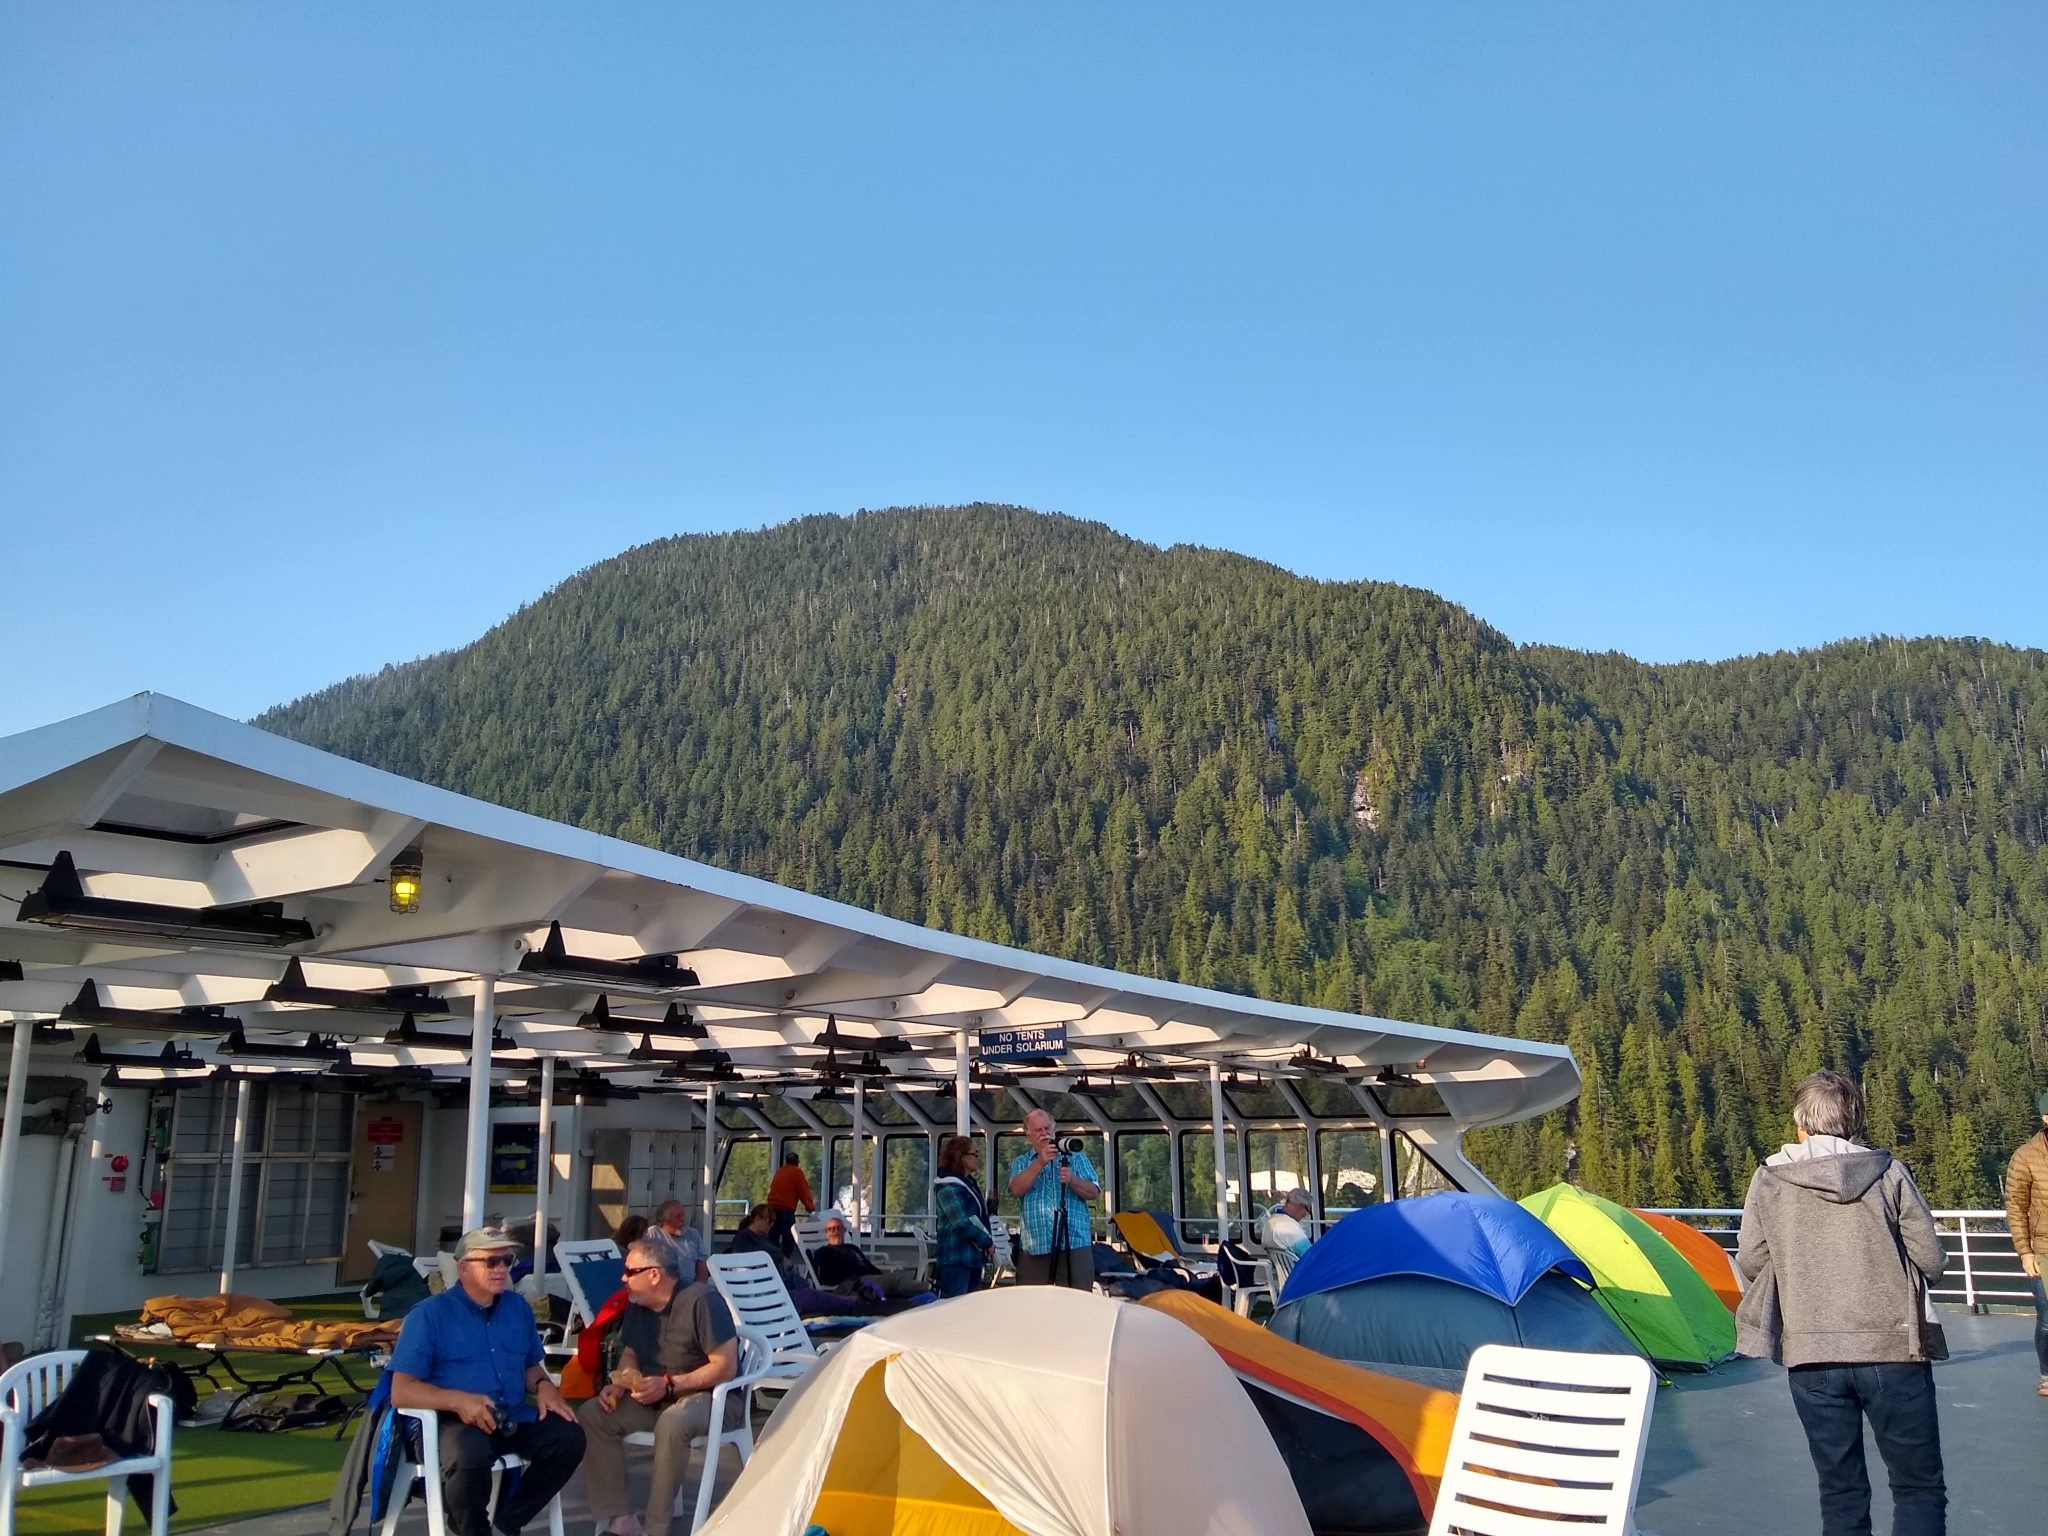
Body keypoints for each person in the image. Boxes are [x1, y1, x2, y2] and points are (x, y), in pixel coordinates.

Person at [1735, 1069, 1947, 1536]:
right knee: (1917, 1487)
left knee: (1841, 1492)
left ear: (1800, 1126)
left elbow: (1751, 1260)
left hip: (1812, 1357)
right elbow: (1931, 1260)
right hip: (1895, 1353)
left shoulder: (1769, 1180)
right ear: (1854, 1123)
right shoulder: (1889, 1173)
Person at [386, 1227, 585, 1536]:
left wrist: (544, 1386)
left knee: (569, 1438)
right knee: (468, 1456)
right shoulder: (429, 1315)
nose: (502, 1268)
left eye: (507, 1260)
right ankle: (474, 1531)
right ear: (464, 1267)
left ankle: (507, 1523)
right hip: (451, 1420)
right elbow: (401, 1391)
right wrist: (459, 1400)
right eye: (491, 1262)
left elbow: (530, 1365)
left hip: (510, 1415)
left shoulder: (517, 1308)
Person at [576, 1236, 741, 1536]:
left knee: (672, 1423)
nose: (622, 1277)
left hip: (710, 1397)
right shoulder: (638, 1304)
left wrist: (669, 1385)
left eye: (629, 1271)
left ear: (654, 1274)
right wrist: (623, 1383)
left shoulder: (701, 1301)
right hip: (656, 1396)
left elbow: (725, 1366)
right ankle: (621, 1519)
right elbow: (630, 1353)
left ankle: (655, 1529)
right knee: (593, 1415)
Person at [1007, 1109, 1099, 1289]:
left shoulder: (1076, 1157)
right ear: (1029, 1135)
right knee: (1032, 1303)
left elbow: (1093, 1192)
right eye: (1039, 1130)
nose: (1044, 1134)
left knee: (1077, 1300)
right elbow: (1016, 1189)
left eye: (1047, 1128)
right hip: (1036, 1245)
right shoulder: (1022, 1162)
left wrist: (1072, 1180)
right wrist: (1039, 1163)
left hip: (1074, 1243)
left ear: (1054, 1129)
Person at [2005, 1089, 2048, 1397]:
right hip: (2043, 1249)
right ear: (2045, 1117)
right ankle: (2047, 1374)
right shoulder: (2026, 1156)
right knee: (2047, 1315)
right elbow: (2016, 1207)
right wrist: (2025, 1252)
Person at [933, 1135, 994, 1297]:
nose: (977, 1158)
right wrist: (986, 1241)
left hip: (972, 1257)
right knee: (954, 1308)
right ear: (962, 1157)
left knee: (971, 1309)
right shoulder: (949, 1187)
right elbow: (960, 1223)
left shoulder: (968, 1182)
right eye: (975, 1154)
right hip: (956, 1259)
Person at [810, 1212, 927, 1297]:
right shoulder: (824, 1252)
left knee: (892, 1282)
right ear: (826, 1233)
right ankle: (929, 1289)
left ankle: (923, 1294)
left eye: (837, 1228)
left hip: (868, 1279)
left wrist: (880, 1275)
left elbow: (868, 1265)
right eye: (830, 1229)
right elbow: (825, 1278)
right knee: (895, 1280)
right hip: (854, 1284)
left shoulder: (852, 1248)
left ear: (844, 1230)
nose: (834, 1232)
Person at [765, 1150, 817, 1259]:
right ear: (797, 1162)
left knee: (773, 1236)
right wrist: (811, 1208)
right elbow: (803, 1192)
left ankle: (772, 1260)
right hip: (786, 1210)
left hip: (771, 1209)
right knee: (788, 1237)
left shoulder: (780, 1171)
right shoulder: (797, 1172)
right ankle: (784, 1261)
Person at [651, 1199, 711, 1284]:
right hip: (662, 1287)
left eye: (683, 1215)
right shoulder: (653, 1234)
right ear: (664, 1221)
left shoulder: (692, 1234)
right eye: (677, 1217)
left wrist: (697, 1288)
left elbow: (702, 1264)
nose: (682, 1220)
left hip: (690, 1287)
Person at [1261, 1189, 1315, 1258]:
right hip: (1299, 1268)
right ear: (1301, 1206)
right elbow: (1310, 1256)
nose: (1304, 1215)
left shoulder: (1270, 1222)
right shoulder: (1290, 1228)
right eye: (1307, 1210)